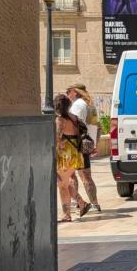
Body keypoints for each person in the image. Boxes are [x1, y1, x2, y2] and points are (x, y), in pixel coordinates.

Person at [54, 94, 92, 222]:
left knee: (62, 185)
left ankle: (67, 214)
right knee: (64, 183)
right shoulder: (74, 118)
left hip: (65, 156)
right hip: (76, 154)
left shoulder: (60, 120)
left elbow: (57, 139)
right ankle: (82, 203)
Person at [67, 83, 101, 212]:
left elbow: (73, 126)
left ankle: (79, 202)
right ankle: (93, 203)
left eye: (68, 91)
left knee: (76, 176)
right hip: (86, 144)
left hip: (76, 145)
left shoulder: (78, 105)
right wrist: (95, 144)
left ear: (75, 92)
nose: (67, 94)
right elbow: (97, 127)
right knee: (85, 176)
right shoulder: (90, 105)